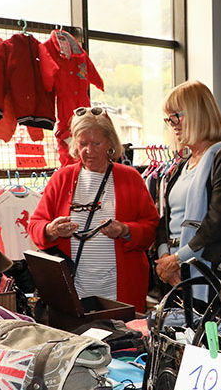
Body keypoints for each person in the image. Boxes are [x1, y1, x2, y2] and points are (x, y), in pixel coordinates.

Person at [28, 107, 158, 313]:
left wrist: (125, 230)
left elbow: (151, 228)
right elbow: (35, 226)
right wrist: (51, 230)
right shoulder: (61, 178)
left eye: (96, 143)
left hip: (121, 291)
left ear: (110, 143)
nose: (89, 151)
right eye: (83, 144)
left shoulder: (131, 178)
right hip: (73, 291)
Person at [154, 80, 221, 318]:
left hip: (213, 276)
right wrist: (165, 258)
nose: (172, 125)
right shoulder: (182, 165)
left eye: (175, 116)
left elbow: (220, 223)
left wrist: (178, 259)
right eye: (169, 119)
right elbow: (166, 219)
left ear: (197, 113)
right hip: (181, 275)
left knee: (216, 339)